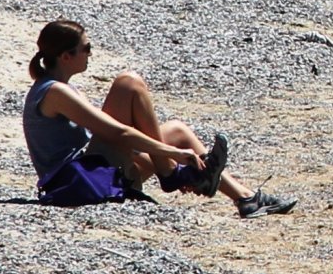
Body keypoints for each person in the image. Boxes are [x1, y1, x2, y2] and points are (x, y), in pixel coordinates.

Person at [23, 19, 297, 219]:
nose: (90, 53)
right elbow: (119, 135)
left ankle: (245, 197)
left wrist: (171, 152)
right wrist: (172, 154)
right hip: (77, 181)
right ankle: (171, 173)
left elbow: (117, 139)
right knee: (128, 83)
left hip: (92, 172)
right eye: (87, 48)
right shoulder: (55, 92)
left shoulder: (60, 87)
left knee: (177, 129)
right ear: (66, 56)